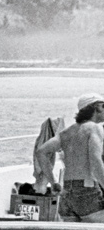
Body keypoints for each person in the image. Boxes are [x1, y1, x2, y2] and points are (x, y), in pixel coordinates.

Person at [35, 92, 104, 222]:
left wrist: (53, 182)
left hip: (66, 195)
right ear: (94, 108)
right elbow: (95, 162)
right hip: (87, 192)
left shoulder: (66, 132)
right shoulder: (94, 128)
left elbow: (41, 152)